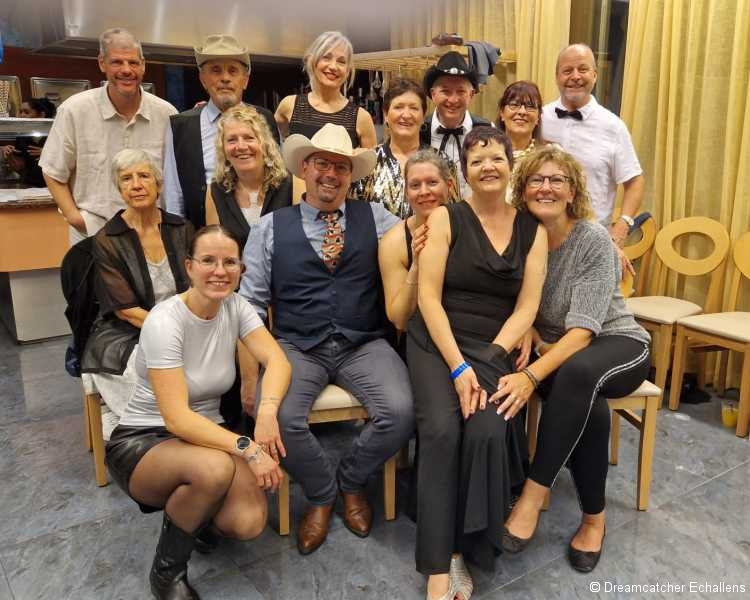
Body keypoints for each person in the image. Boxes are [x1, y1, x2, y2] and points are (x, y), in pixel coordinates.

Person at [240, 123, 414, 556]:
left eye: (341, 166)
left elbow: (420, 239)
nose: (331, 174)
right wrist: (250, 378)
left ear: (351, 175)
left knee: (401, 411)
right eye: (322, 164)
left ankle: (352, 481)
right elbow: (250, 308)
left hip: (364, 342)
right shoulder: (269, 228)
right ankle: (321, 492)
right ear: (304, 168)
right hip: (296, 347)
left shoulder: (379, 218)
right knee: (280, 419)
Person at [105, 224, 291, 600]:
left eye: (230, 262)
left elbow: (278, 361)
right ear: (189, 267)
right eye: (208, 260)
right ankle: (167, 572)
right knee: (215, 468)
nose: (220, 271)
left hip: (206, 433)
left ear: (241, 269)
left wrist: (267, 412)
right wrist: (250, 448)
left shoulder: (236, 307)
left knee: (249, 522)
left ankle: (194, 513)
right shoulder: (164, 320)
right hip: (145, 439)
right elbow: (176, 418)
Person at [409, 128, 547, 600]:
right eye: (476, 160)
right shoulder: (446, 218)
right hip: (438, 341)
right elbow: (428, 298)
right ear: (463, 173)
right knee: (442, 430)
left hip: (493, 346)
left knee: (487, 428)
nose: (488, 166)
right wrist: (457, 367)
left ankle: (466, 547)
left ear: (510, 165)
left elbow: (527, 307)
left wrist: (490, 357)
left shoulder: (533, 230)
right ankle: (438, 563)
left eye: (496, 158)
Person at [498, 145, 650, 573]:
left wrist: (530, 376)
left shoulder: (591, 239)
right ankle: (594, 519)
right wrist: (529, 328)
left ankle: (531, 497)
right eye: (536, 180)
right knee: (590, 406)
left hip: (616, 343)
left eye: (556, 180)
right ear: (523, 189)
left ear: (572, 191)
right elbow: (512, 298)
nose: (546, 188)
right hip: (556, 353)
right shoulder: (519, 236)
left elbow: (584, 332)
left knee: (580, 372)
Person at [80, 149, 192, 439]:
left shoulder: (181, 228)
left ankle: (197, 425)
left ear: (158, 184)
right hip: (129, 329)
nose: (137, 185)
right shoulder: (108, 239)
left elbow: (197, 285)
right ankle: (139, 434)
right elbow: (125, 310)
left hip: (184, 321)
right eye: (126, 179)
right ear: (119, 189)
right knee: (143, 371)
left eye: (144, 176)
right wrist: (171, 332)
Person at [39, 28, 177, 243]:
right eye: (117, 62)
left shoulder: (166, 114)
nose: (126, 70)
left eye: (133, 63)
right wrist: (76, 219)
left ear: (143, 65)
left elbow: (174, 180)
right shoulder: (75, 110)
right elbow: (53, 171)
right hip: (94, 231)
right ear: (102, 63)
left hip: (151, 233)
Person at [162, 34, 280, 229]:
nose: (225, 78)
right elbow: (173, 194)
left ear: (245, 80)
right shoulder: (180, 126)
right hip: (203, 235)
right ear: (203, 79)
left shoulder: (265, 119)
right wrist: (178, 238)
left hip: (265, 232)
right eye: (216, 70)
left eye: (233, 71)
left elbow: (279, 178)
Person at [541, 43, 645, 248]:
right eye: (567, 71)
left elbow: (635, 181)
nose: (575, 76)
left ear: (595, 75)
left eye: (583, 69)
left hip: (592, 239)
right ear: (557, 77)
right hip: (542, 236)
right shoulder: (540, 118)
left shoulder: (613, 126)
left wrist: (623, 225)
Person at [349, 77, 458, 216]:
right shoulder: (367, 162)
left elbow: (454, 216)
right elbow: (355, 217)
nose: (406, 115)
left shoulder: (443, 162)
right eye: (398, 107)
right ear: (386, 114)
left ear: (423, 116)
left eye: (413, 108)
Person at [378, 148, 452, 332]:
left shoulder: (469, 225)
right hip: (419, 335)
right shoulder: (393, 242)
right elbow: (399, 321)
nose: (424, 191)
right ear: (406, 192)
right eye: (415, 185)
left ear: (449, 186)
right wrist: (416, 266)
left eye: (432, 182)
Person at [206, 105, 292, 250]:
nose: (241, 146)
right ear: (223, 150)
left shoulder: (292, 184)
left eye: (249, 138)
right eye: (232, 140)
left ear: (265, 144)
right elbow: (216, 251)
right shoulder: (215, 192)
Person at [274, 31, 376, 149]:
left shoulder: (361, 118)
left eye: (341, 61)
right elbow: (271, 149)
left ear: (348, 70)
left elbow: (370, 160)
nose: (333, 67)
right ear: (313, 61)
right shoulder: (289, 105)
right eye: (326, 58)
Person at [420, 51, 493, 202]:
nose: (453, 100)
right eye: (445, 91)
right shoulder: (420, 131)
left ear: (471, 95)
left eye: (461, 91)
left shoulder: (487, 130)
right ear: (433, 94)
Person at [1, 98, 56, 186]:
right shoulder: (22, 137)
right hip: (30, 184)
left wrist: (49, 154)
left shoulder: (55, 134)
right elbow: (19, 167)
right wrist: (9, 156)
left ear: (41, 115)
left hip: (54, 184)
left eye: (26, 112)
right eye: (20, 112)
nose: (22, 115)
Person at [495, 81, 545, 165]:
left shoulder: (549, 155)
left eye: (530, 106)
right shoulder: (487, 152)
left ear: (538, 117)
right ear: (502, 113)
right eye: (514, 105)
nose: (522, 112)